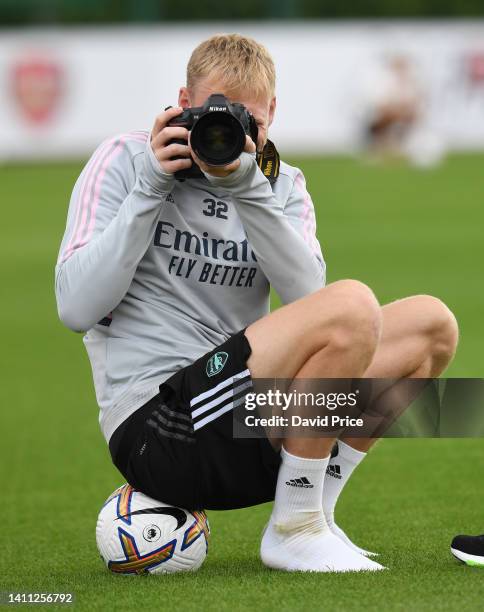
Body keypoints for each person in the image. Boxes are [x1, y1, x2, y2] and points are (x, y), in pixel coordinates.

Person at [55, 33, 459, 573]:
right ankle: (296, 530)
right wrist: (150, 188)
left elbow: (310, 304)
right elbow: (75, 309)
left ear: (271, 117)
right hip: (157, 429)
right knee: (353, 304)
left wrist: (249, 187)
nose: (228, 136)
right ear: (183, 102)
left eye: (251, 125)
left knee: (431, 326)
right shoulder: (127, 160)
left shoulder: (280, 183)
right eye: (213, 117)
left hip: (245, 421)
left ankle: (312, 513)